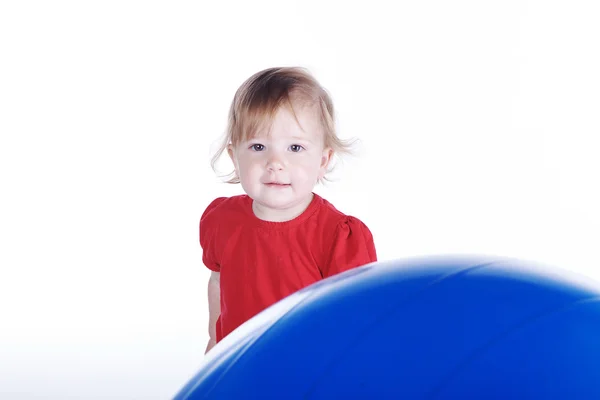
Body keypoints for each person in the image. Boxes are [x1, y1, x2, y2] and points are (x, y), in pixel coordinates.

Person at [200, 67, 377, 353]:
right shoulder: (222, 221)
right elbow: (218, 282)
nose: (275, 162)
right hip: (241, 362)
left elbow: (353, 318)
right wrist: (215, 342)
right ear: (235, 157)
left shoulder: (336, 236)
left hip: (306, 369)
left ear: (323, 160)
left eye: (295, 148)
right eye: (258, 146)